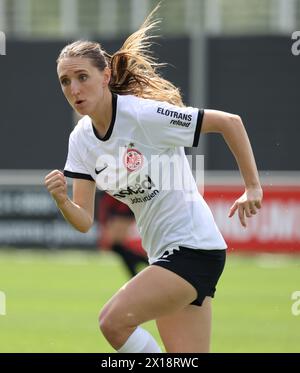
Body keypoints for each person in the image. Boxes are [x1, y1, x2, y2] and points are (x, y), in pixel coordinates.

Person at [45, 6, 263, 353]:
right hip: (166, 255)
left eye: (82, 77)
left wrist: (252, 187)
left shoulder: (143, 115)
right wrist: (62, 201)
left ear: (105, 76)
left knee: (112, 321)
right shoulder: (81, 139)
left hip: (193, 249)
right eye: (65, 81)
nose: (74, 88)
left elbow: (230, 123)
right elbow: (84, 221)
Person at [98, 192, 148, 277]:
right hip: (121, 213)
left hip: (124, 213)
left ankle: (146, 265)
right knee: (117, 247)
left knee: (117, 246)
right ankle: (142, 265)